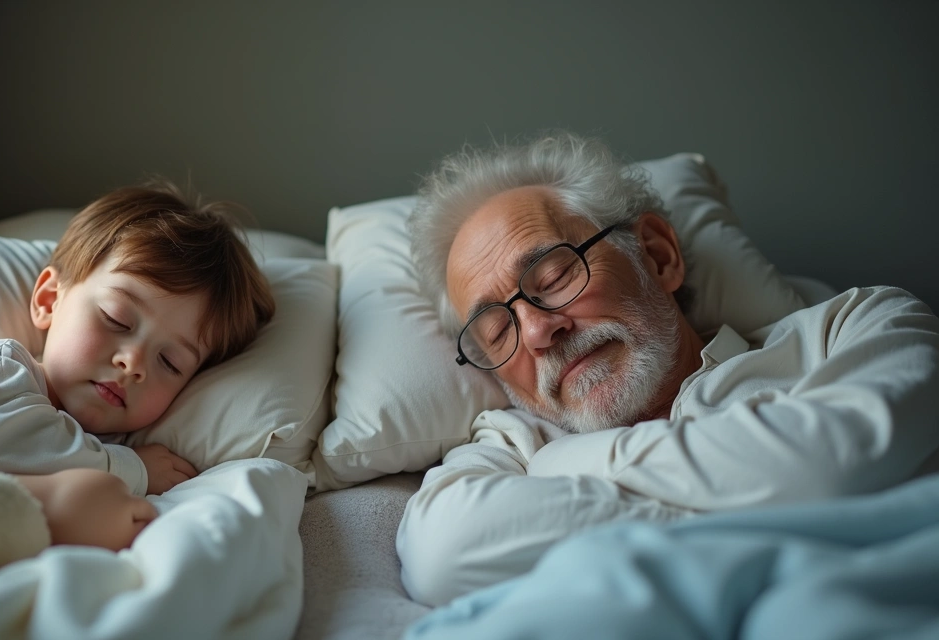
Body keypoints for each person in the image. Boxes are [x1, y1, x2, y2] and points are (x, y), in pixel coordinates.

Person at [395, 132, 939, 607]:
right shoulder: (510, 450)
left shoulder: (855, 326)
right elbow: (442, 555)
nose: (538, 332)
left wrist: (574, 460)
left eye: (555, 275)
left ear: (657, 255)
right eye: (497, 331)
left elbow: (836, 464)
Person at [0, 180, 276, 544]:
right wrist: (132, 469)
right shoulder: (2, 370)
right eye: (117, 319)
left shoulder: (130, 445)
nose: (133, 362)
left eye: (170, 362)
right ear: (49, 300)